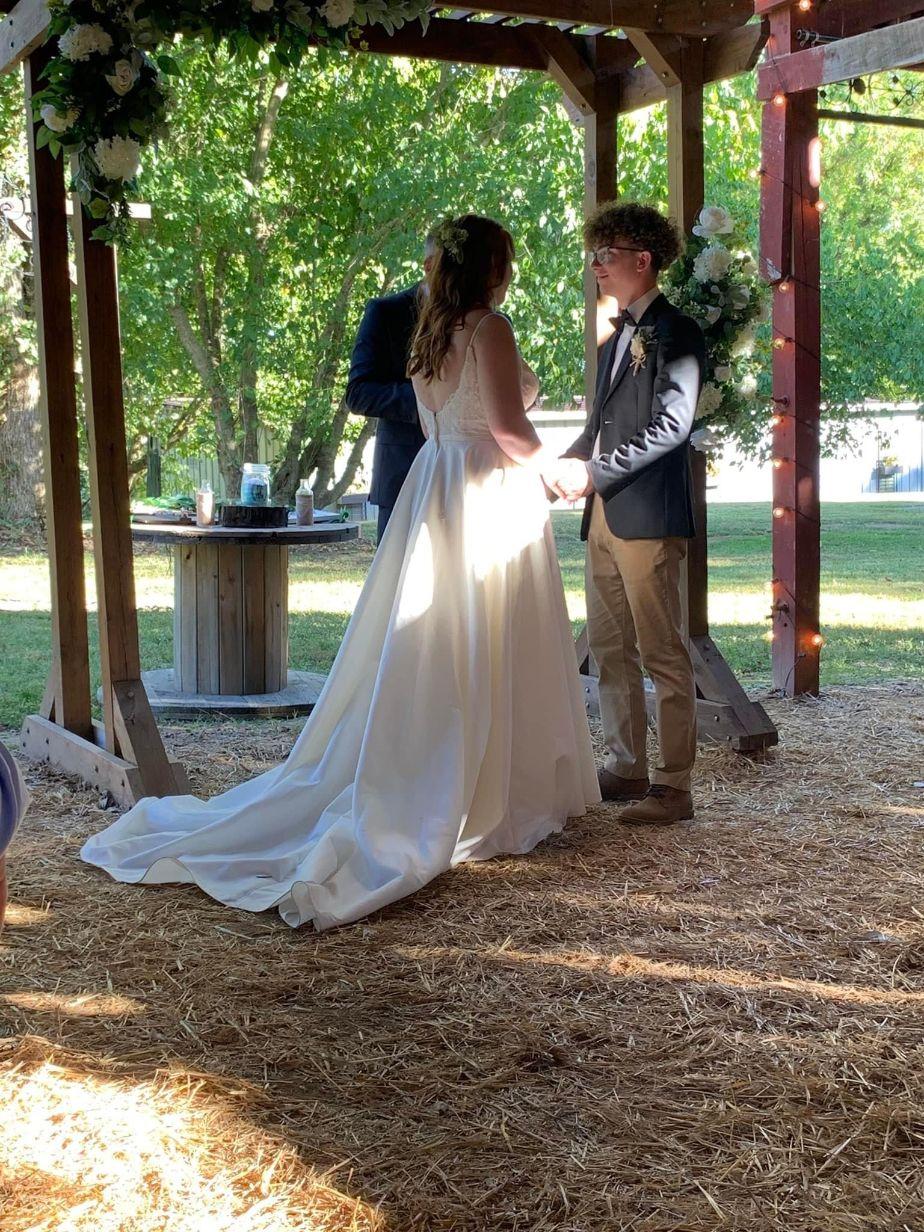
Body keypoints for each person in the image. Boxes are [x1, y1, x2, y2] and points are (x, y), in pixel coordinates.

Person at [80, 214, 600, 930]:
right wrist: (560, 467)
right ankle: (489, 787)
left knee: (442, 639)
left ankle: (455, 768)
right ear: (494, 268)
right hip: (486, 490)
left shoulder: (429, 333)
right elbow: (510, 431)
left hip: (437, 485)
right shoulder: (488, 329)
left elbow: (442, 419)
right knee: (488, 631)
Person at [555, 201, 705, 826]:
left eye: (605, 256)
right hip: (604, 518)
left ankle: (673, 785)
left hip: (648, 518)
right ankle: (625, 765)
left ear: (643, 260)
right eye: (594, 255)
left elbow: (672, 426)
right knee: (612, 648)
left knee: (662, 650)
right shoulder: (618, 335)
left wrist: (595, 473)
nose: (595, 267)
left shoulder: (677, 331)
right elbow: (600, 423)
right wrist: (564, 464)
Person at [344, 236, 434, 542]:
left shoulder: (487, 321)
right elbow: (358, 392)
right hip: (401, 473)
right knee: (397, 587)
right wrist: (427, 402)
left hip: (466, 478)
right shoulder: (386, 312)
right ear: (429, 266)